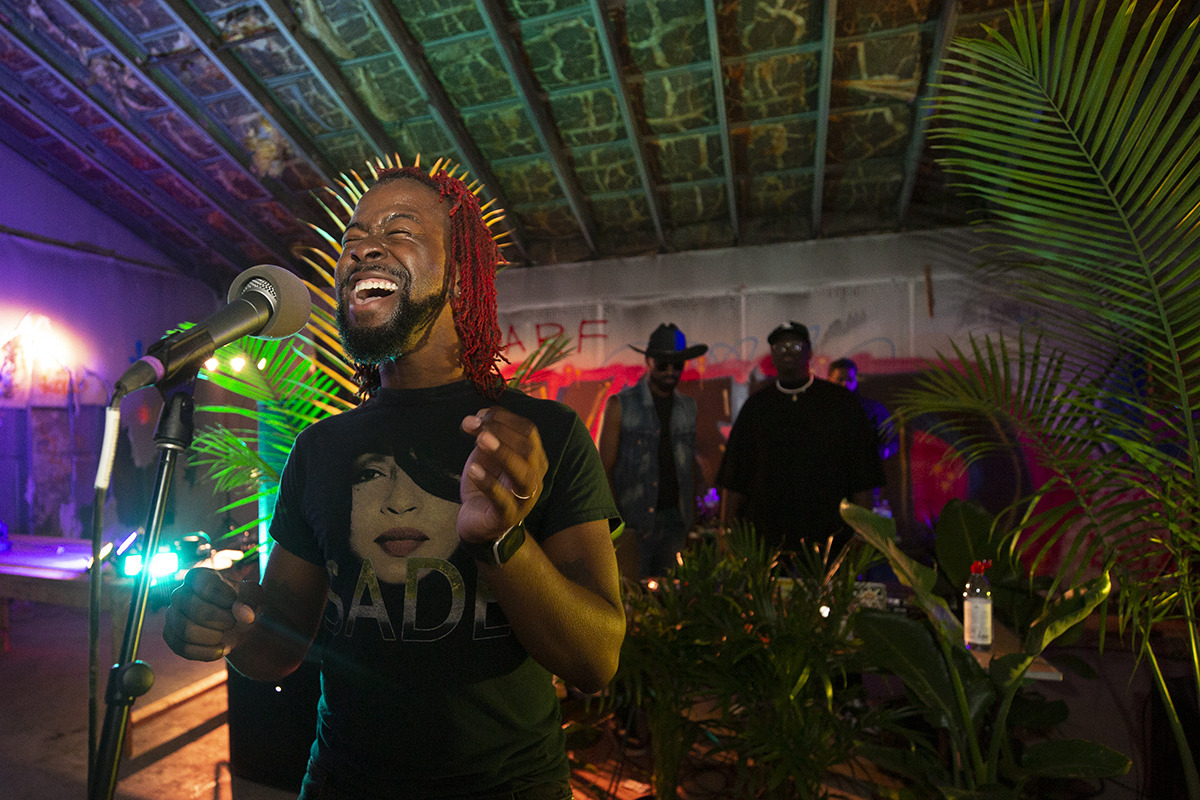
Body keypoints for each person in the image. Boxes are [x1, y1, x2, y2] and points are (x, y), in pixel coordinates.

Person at [163, 165, 625, 800]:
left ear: (459, 272)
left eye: (398, 231)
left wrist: (501, 542)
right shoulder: (319, 449)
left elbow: (595, 660)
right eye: (353, 239)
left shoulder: (539, 434)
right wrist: (228, 627)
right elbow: (279, 645)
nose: (362, 249)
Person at [716, 321, 884, 556]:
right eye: (780, 347)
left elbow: (863, 473)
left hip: (830, 542)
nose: (787, 352)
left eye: (795, 346)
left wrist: (863, 533)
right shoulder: (757, 407)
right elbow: (735, 477)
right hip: (768, 544)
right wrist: (726, 532)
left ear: (809, 353)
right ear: (772, 356)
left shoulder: (840, 403)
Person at [598, 323, 707, 578]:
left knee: (671, 606)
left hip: (675, 525)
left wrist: (692, 526)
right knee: (633, 605)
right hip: (633, 526)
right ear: (649, 361)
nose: (670, 371)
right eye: (663, 364)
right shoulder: (621, 405)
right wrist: (618, 527)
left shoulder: (687, 408)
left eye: (677, 364)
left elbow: (688, 469)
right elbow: (604, 470)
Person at [828, 357, 898, 461]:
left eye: (850, 380)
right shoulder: (820, 409)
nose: (845, 384)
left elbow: (892, 441)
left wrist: (882, 453)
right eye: (840, 380)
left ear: (856, 381)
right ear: (829, 380)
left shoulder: (873, 408)